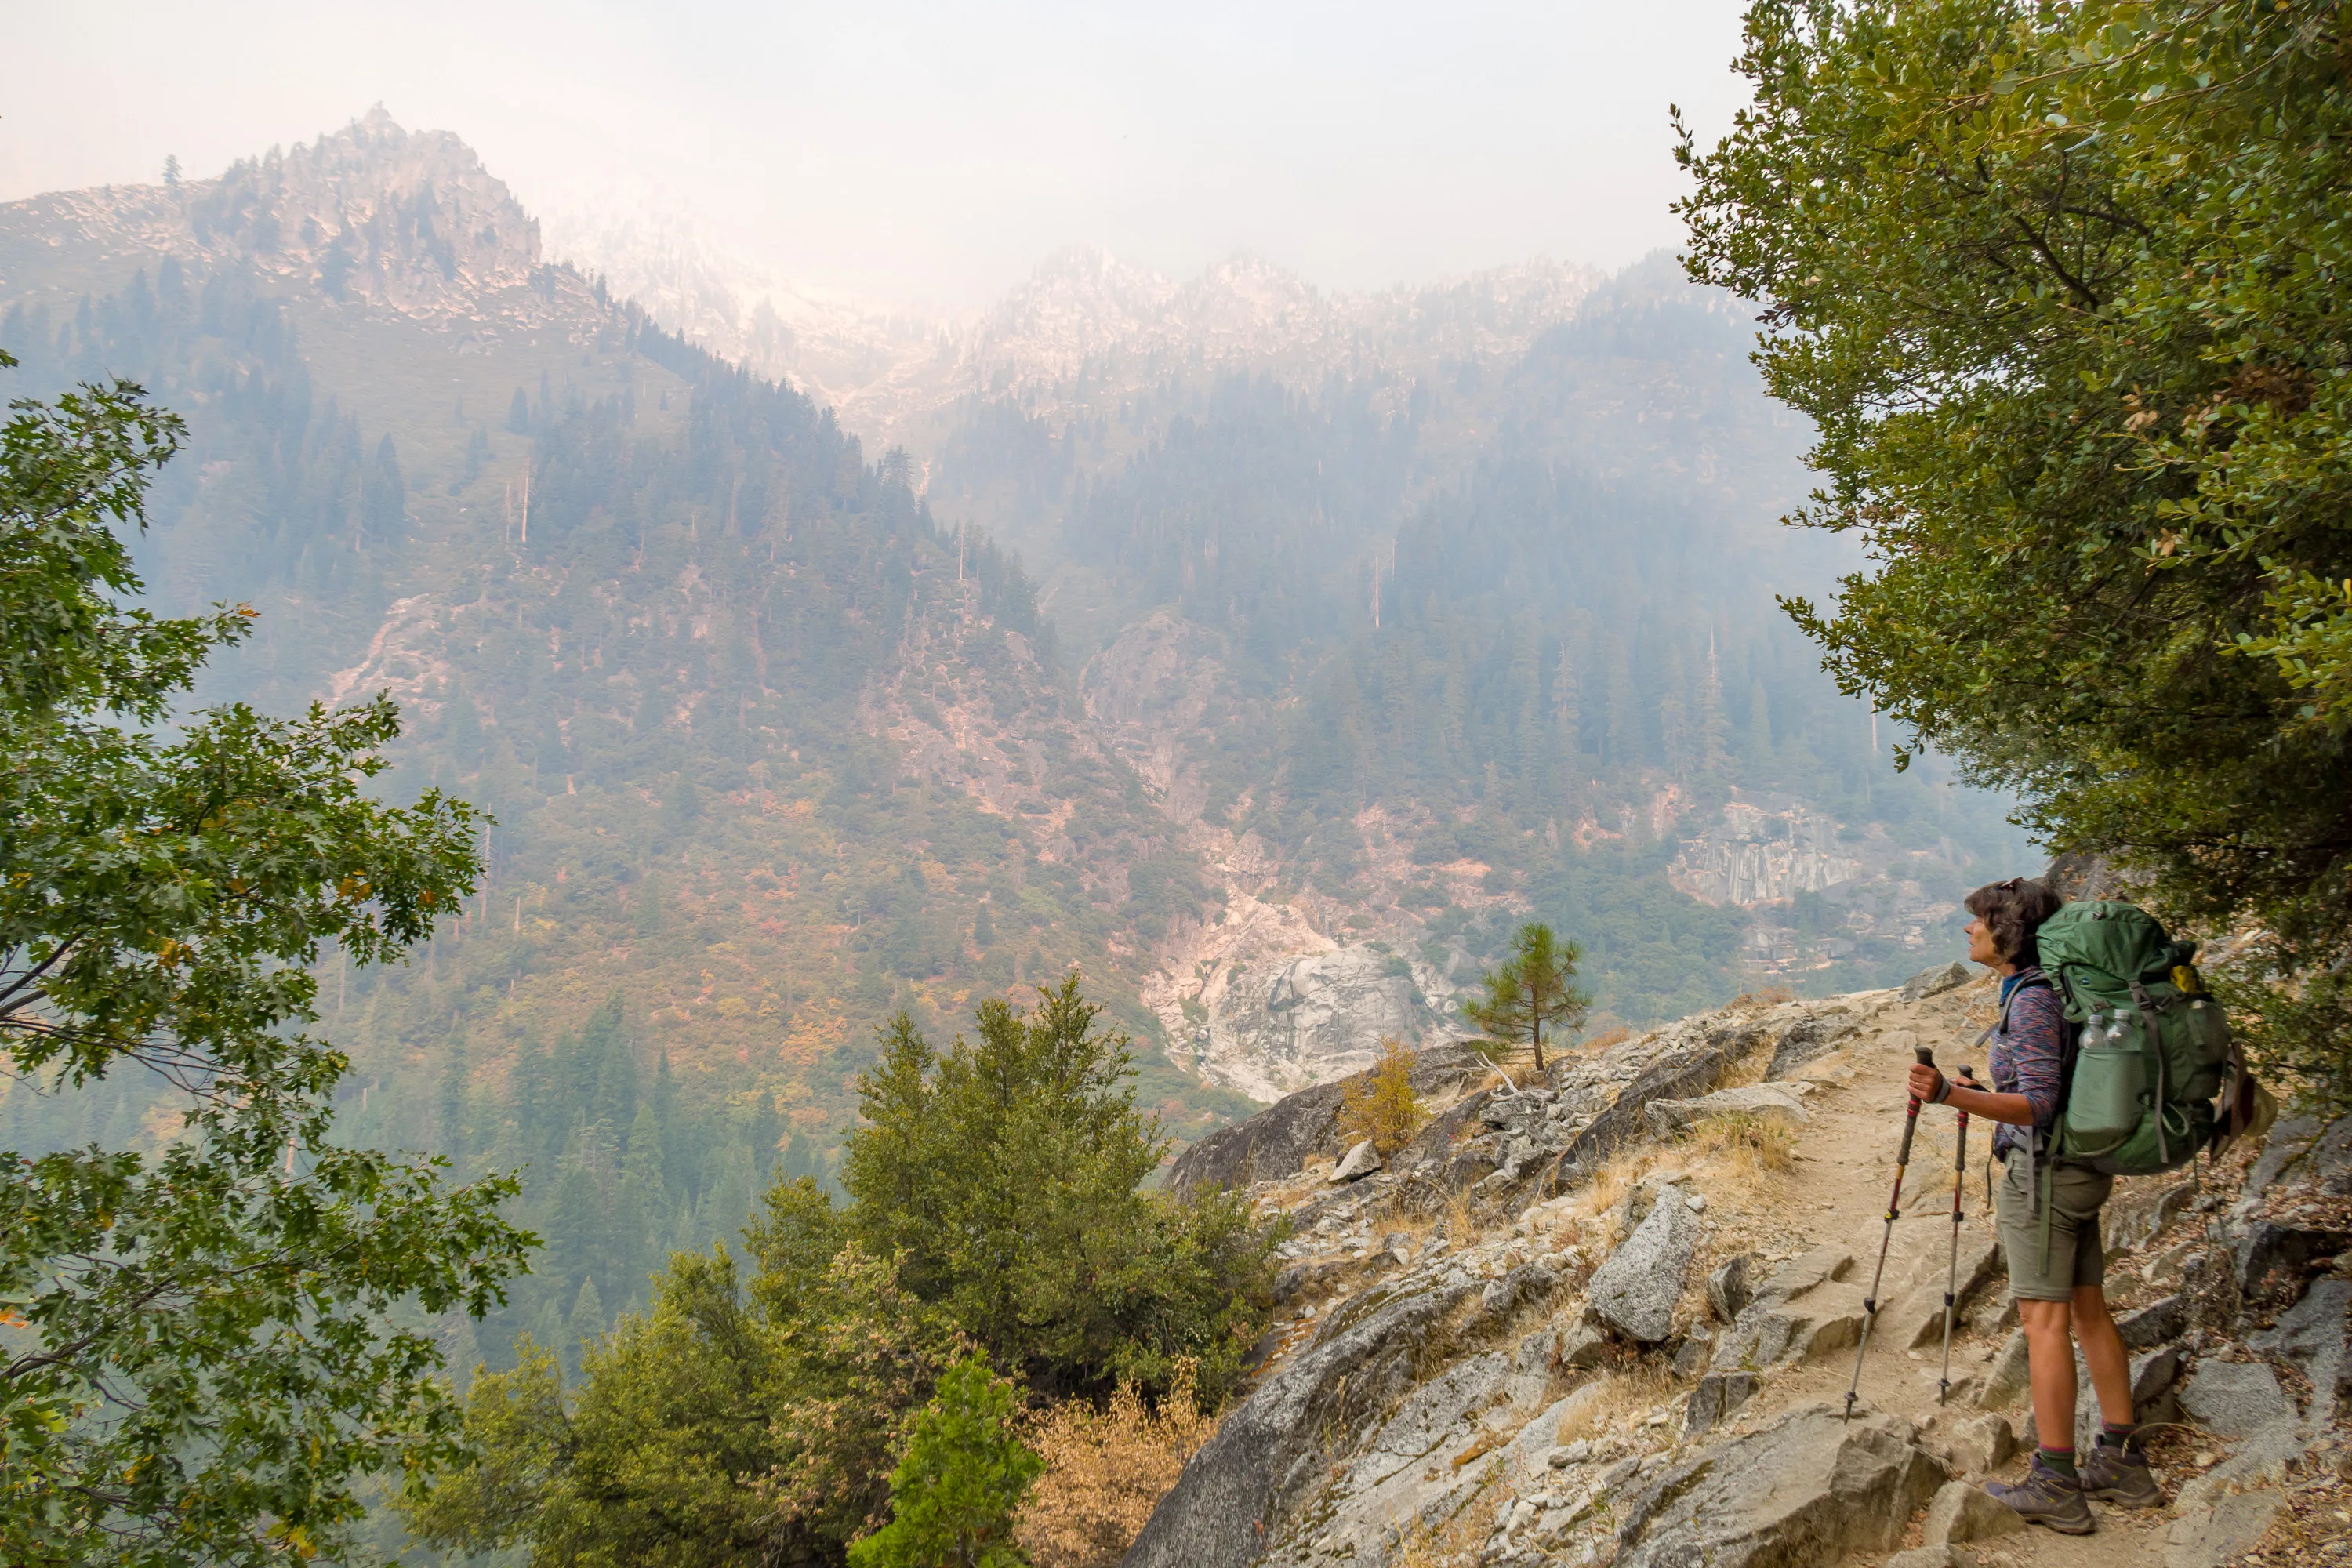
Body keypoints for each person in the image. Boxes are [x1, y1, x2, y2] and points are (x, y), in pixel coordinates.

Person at [1906, 877, 2160, 1534]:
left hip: (2044, 1178)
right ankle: (2122, 1460)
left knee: (2043, 1324)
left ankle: (2056, 1481)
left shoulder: (2033, 1001)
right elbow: (2046, 1085)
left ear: (2008, 933)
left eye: (1980, 921)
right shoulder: (2048, 992)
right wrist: (1983, 1088)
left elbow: (2038, 1105)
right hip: (2076, 1170)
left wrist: (1948, 1097)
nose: (1969, 930)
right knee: (2087, 1308)